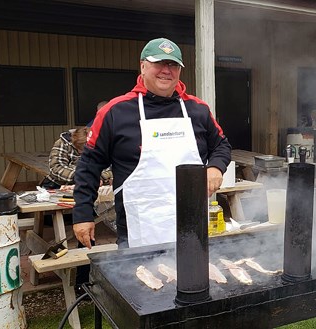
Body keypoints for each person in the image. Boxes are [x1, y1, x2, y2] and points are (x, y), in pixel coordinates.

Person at [72, 37, 231, 249]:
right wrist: (83, 213)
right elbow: (89, 165)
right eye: (159, 63)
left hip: (192, 224)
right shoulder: (115, 111)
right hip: (138, 229)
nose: (167, 70)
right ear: (143, 66)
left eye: (173, 65)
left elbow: (221, 145)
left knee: (193, 278)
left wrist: (215, 167)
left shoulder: (197, 109)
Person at [40, 127, 112, 189]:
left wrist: (99, 177)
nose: (84, 153)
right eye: (81, 150)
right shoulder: (63, 143)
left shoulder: (99, 144)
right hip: (57, 186)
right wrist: (81, 176)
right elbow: (56, 168)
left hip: (90, 187)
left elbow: (111, 169)